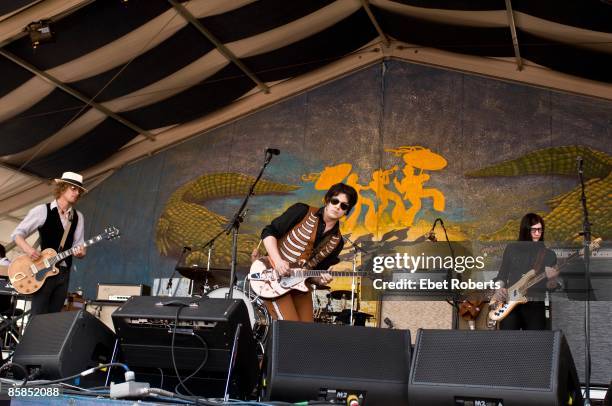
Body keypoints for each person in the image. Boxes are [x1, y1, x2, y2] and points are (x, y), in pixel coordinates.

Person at [259, 182, 358, 322]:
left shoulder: (338, 242)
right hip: (272, 277)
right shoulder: (302, 211)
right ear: (327, 199)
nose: (337, 207)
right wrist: (278, 261)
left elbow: (314, 274)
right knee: (290, 327)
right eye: (335, 201)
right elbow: (269, 231)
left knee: (306, 330)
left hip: (300, 286)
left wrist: (320, 279)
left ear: (346, 211)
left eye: (343, 206)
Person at [11, 172, 87, 316]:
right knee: (38, 315)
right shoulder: (41, 210)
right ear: (62, 187)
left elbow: (80, 247)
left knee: (53, 317)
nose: (76, 193)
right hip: (42, 269)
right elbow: (17, 234)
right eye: (73, 188)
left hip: (64, 273)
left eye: (79, 190)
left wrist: (81, 252)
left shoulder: (78, 217)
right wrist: (29, 250)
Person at [492, 213, 560, 330]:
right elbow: (501, 276)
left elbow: (550, 287)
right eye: (534, 230)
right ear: (525, 230)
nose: (538, 234)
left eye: (540, 230)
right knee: (508, 343)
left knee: (535, 345)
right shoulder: (511, 249)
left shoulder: (549, 255)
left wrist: (553, 279)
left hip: (535, 306)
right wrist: (498, 290)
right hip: (510, 305)